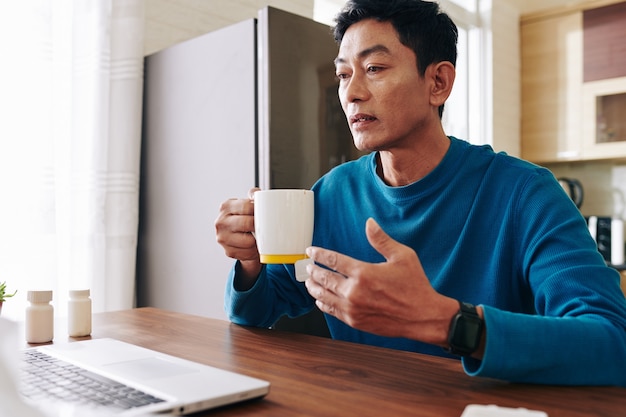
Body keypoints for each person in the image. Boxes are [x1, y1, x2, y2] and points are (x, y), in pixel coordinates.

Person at [214, 0, 626, 386]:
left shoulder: (524, 193)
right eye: (343, 74)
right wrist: (251, 262)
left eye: (374, 67)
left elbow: (611, 343)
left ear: (438, 82)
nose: (351, 91)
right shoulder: (332, 193)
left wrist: (445, 321)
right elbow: (257, 311)